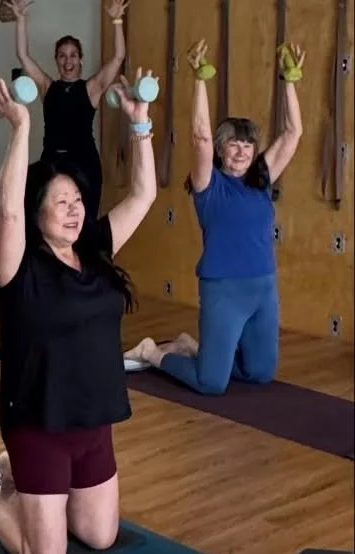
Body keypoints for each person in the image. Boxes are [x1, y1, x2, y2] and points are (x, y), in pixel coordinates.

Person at [0, 70, 157, 554]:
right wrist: (21, 127)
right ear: (37, 212)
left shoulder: (96, 249)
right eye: (60, 202)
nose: (74, 210)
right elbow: (7, 211)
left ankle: (16, 476)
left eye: (78, 200)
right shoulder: (19, 269)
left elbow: (143, 196)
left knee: (100, 536)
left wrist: (140, 125)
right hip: (39, 421)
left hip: (92, 418)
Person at [126, 39, 304, 393]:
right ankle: (152, 352)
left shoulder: (262, 179)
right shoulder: (209, 184)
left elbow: (293, 133)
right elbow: (200, 138)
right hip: (223, 290)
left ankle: (191, 347)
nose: (241, 151)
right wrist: (199, 80)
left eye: (247, 144)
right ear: (221, 149)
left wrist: (290, 81)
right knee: (210, 383)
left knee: (259, 373)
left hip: (263, 288)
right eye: (233, 143)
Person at [8, 0, 127, 214]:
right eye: (62, 56)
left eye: (73, 55)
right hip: (52, 164)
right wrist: (20, 19)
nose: (67, 61)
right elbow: (23, 55)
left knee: (84, 223)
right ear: (56, 60)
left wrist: (117, 20)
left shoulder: (91, 88)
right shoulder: (47, 87)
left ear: (80, 60)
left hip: (85, 166)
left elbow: (118, 56)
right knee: (48, 221)